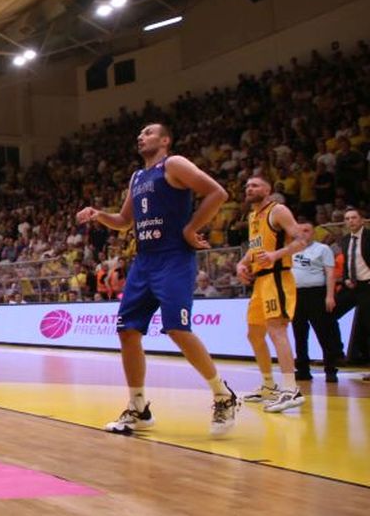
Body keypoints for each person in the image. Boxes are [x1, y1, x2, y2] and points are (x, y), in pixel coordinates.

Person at [76, 123, 239, 437]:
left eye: (148, 132)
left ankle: (223, 395)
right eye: (139, 133)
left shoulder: (174, 164)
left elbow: (218, 193)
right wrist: (99, 215)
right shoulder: (137, 177)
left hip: (174, 257)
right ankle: (138, 407)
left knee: (177, 329)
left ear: (165, 140)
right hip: (144, 261)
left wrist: (191, 229)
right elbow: (124, 221)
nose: (141, 136)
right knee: (127, 331)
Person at [236, 178, 305, 412]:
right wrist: (242, 263)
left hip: (277, 277)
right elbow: (255, 247)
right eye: (247, 186)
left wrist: (276, 255)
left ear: (268, 190)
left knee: (277, 330)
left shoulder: (278, 210)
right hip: (260, 282)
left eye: (255, 185)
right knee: (254, 334)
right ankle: (268, 385)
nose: (249, 188)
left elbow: (301, 240)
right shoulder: (252, 216)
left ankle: (291, 389)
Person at [288, 219, 341, 382]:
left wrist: (330, 296)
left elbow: (330, 273)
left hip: (316, 293)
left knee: (324, 332)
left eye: (307, 230)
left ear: (313, 233)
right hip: (296, 294)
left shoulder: (322, 249)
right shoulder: (291, 249)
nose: (303, 234)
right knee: (299, 333)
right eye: (300, 231)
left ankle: (330, 369)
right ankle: (303, 369)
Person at [336, 207, 370, 374]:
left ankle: (365, 360)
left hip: (367, 285)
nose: (351, 221)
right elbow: (347, 264)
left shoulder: (369, 236)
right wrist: (345, 279)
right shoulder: (345, 240)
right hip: (351, 286)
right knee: (328, 313)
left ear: (362, 220)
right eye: (347, 218)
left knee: (367, 323)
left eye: (354, 217)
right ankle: (337, 353)